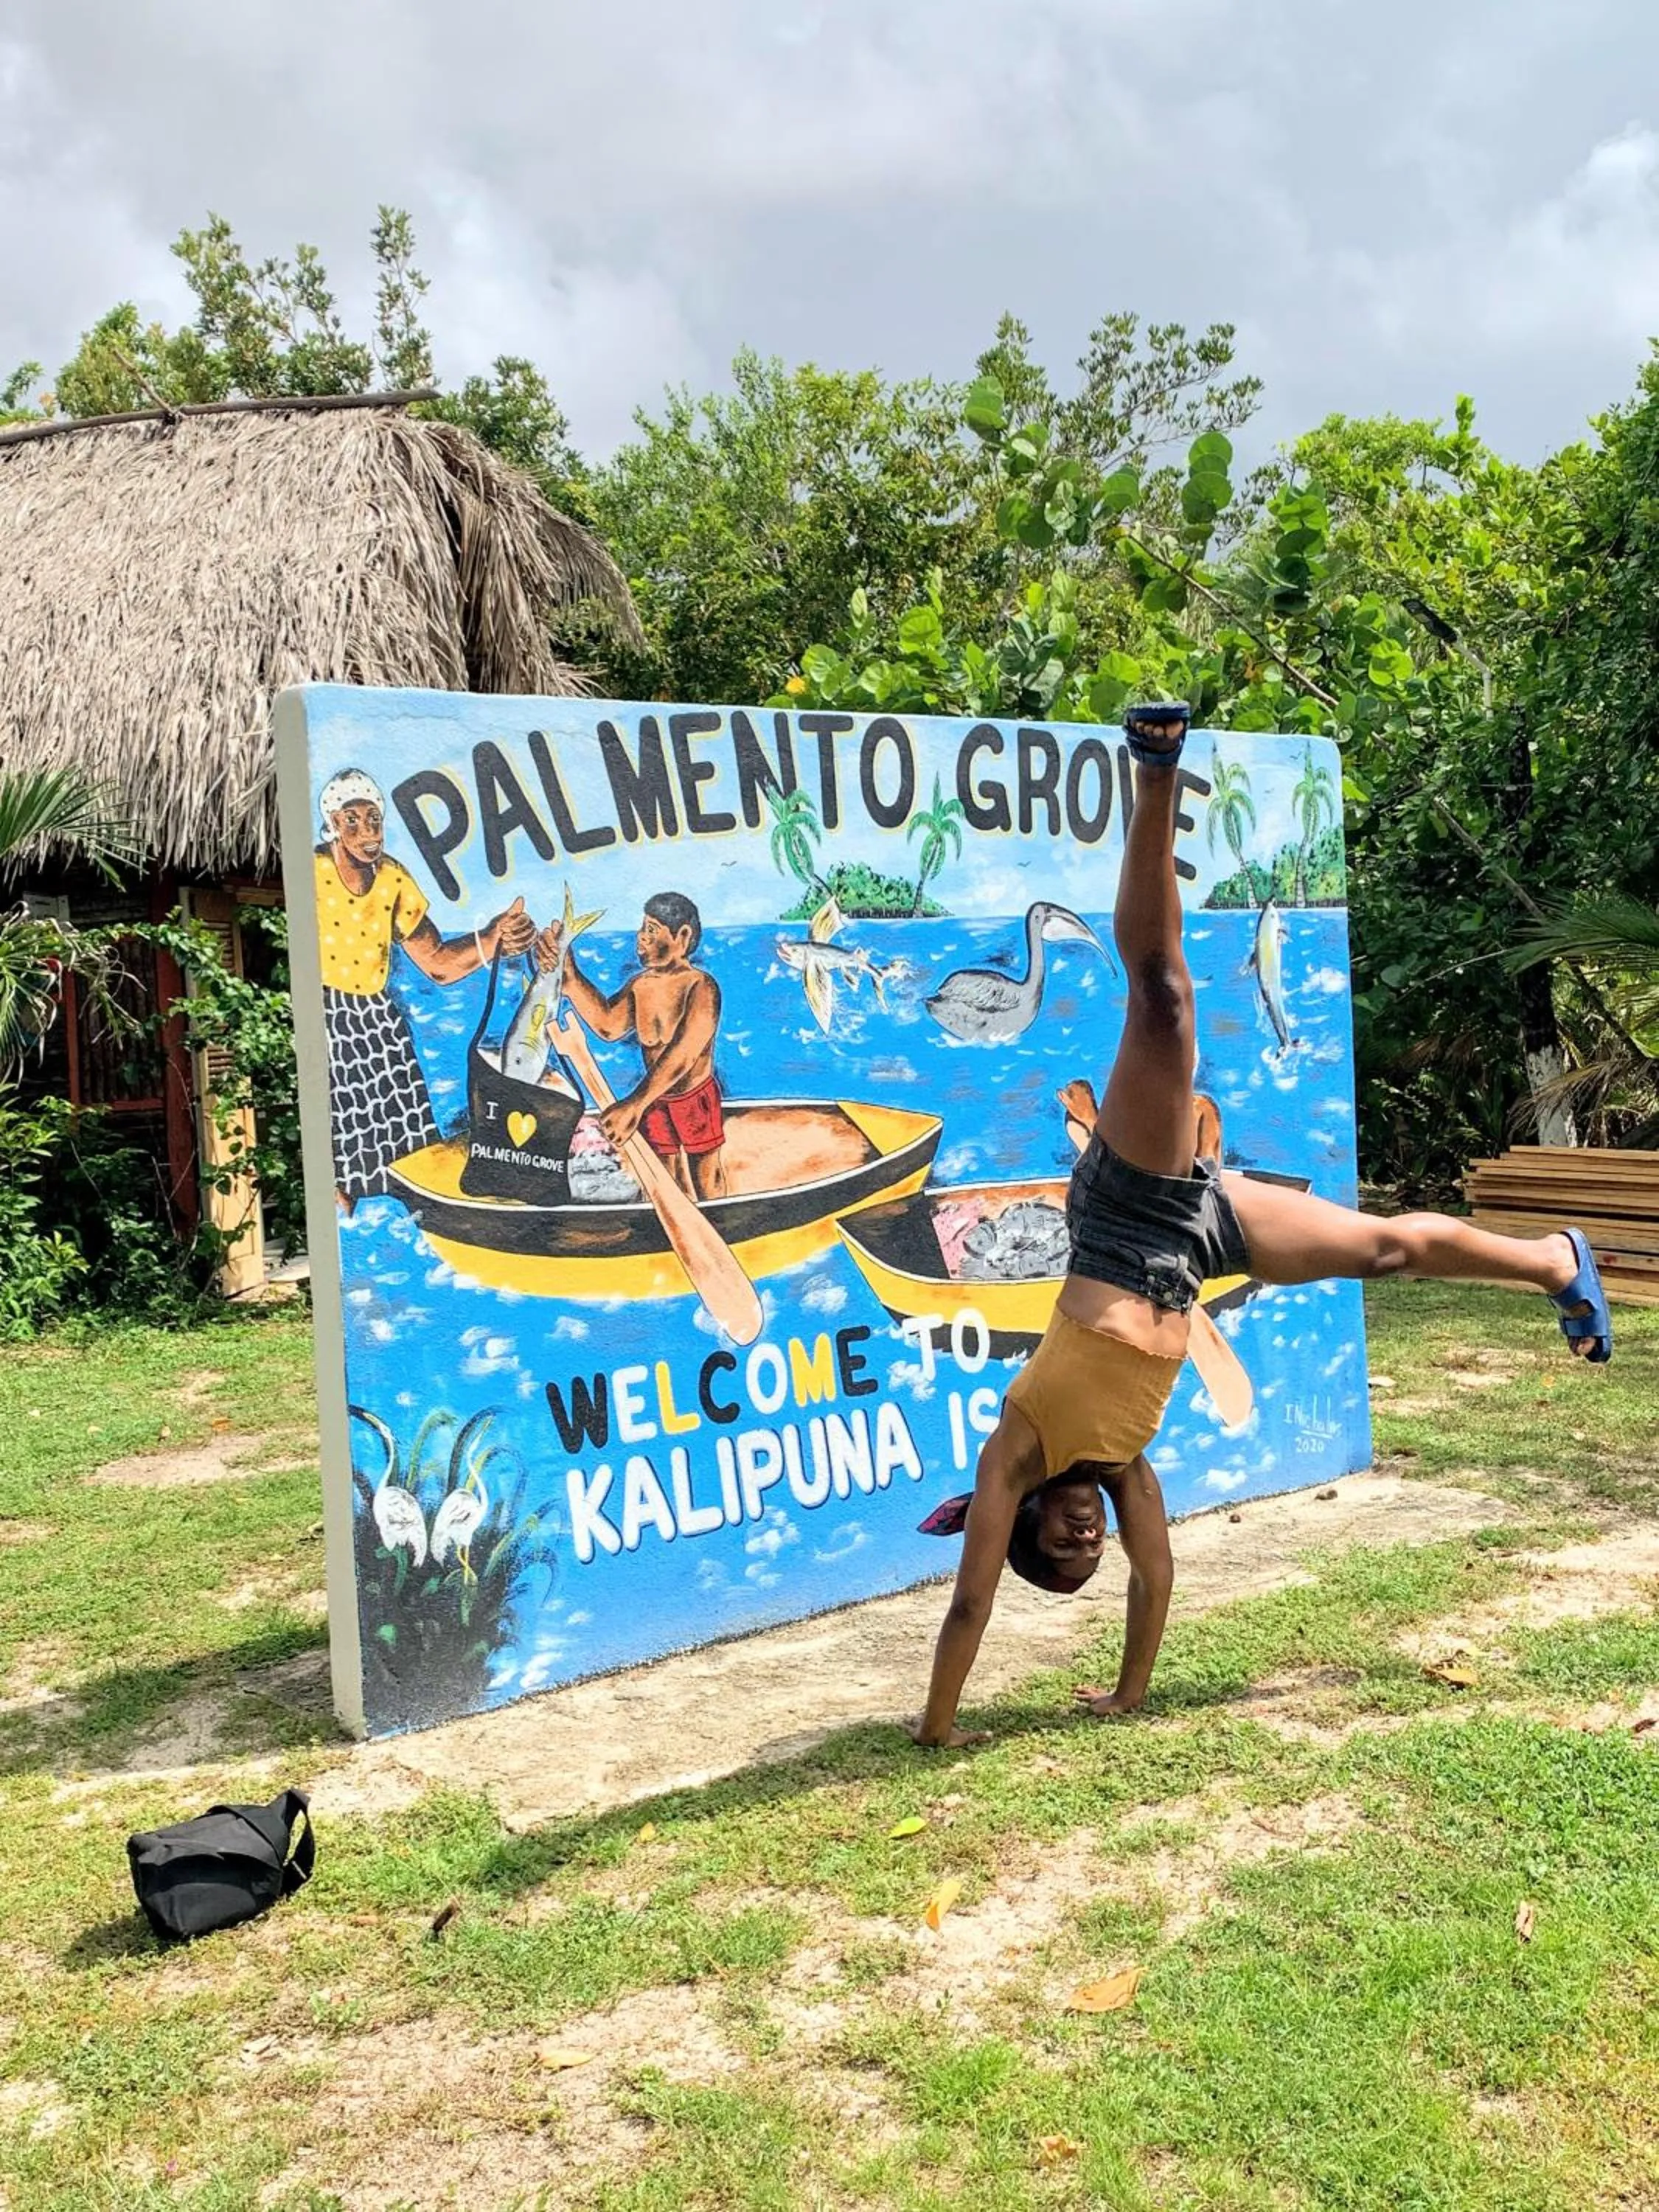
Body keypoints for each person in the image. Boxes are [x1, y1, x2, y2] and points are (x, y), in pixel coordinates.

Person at [908, 703, 1613, 1750]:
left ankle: (1153, 772)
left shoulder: (1014, 1451)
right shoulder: (1125, 1474)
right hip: (1195, 1250)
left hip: (1126, 1215)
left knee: (1163, 1002)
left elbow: (969, 1605)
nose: (1083, 1540)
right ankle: (1554, 1262)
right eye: (1082, 1557)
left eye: (1059, 1547)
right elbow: (1157, 1580)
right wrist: (1130, 1697)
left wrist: (936, 1726)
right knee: (1384, 1247)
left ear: (1020, 1526)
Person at [314, 769, 536, 1206]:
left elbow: (437, 964)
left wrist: (491, 939)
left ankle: (418, 1229)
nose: (367, 831)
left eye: (374, 819)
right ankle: (346, 1226)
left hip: (376, 1020)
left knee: (408, 1155)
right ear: (334, 825)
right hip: (327, 1016)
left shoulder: (393, 878)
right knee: (343, 1152)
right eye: (352, 820)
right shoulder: (313, 872)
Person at [537, 891, 728, 1200]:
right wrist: (571, 980)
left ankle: (720, 1229)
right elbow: (608, 1026)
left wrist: (634, 1105)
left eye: (652, 930)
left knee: (706, 1177)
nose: (641, 938)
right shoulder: (640, 987)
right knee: (662, 1181)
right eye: (643, 928)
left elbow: (684, 1055)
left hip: (693, 1099)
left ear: (682, 936)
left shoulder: (701, 986)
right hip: (655, 1102)